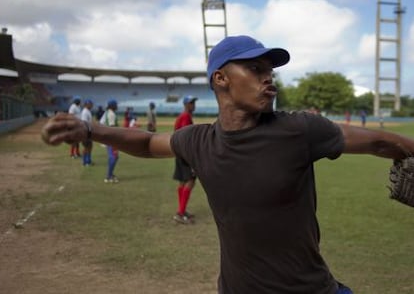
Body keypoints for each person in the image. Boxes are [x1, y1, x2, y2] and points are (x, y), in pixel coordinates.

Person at [41, 35, 414, 294]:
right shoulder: (199, 141)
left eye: (271, 70)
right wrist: (91, 129)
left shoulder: (299, 129)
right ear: (221, 79)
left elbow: (381, 140)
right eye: (254, 68)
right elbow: (146, 142)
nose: (268, 77)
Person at [172, 95, 198, 224]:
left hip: (179, 153)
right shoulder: (186, 117)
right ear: (186, 104)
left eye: (194, 102)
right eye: (191, 103)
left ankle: (181, 210)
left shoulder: (183, 116)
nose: (194, 105)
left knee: (183, 182)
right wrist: (190, 158)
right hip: (185, 154)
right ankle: (180, 213)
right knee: (190, 181)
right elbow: (185, 138)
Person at [100, 99, 120, 183]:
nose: (117, 106)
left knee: (113, 157)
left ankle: (110, 174)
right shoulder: (111, 114)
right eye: (116, 105)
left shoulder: (106, 113)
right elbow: (112, 128)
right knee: (114, 157)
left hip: (108, 139)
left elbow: (101, 123)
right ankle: (109, 176)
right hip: (112, 139)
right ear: (112, 106)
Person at [80, 99, 94, 166]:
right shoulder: (85, 112)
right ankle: (84, 161)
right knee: (86, 147)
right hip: (86, 132)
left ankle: (88, 160)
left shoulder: (88, 111)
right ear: (86, 104)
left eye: (91, 104)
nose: (92, 105)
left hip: (89, 132)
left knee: (90, 146)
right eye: (90, 104)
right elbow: (84, 123)